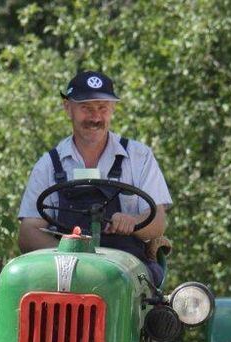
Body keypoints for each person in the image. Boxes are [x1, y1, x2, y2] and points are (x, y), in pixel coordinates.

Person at [17, 70, 172, 285]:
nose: (95, 117)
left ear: (113, 109)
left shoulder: (139, 157)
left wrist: (133, 222)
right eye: (86, 108)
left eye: (102, 108)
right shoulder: (49, 165)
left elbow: (158, 222)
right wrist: (68, 254)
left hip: (127, 271)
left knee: (161, 311)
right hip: (63, 272)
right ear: (67, 108)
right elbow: (28, 232)